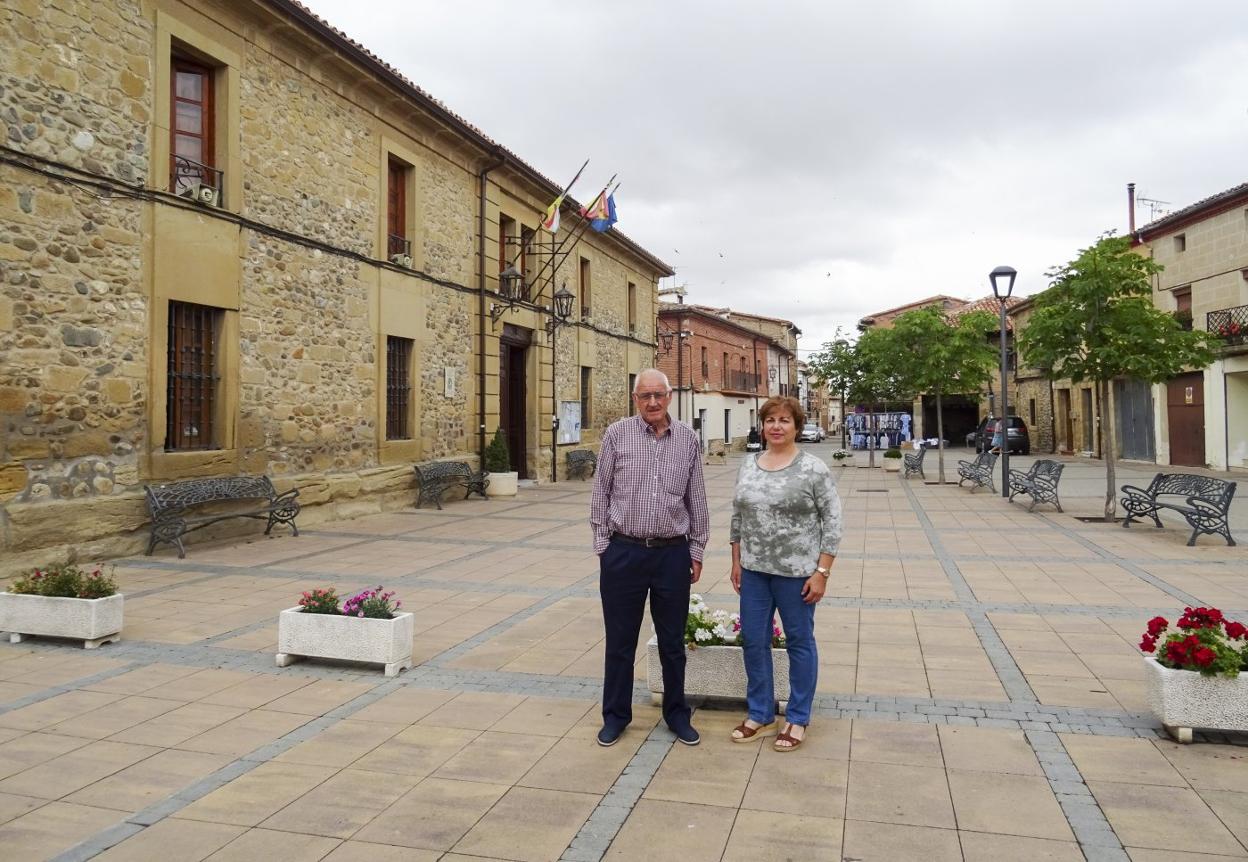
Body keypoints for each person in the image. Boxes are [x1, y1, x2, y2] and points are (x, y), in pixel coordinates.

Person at [590, 368, 709, 748]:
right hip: (623, 552)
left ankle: (676, 714)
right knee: (620, 642)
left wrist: (696, 548)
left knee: (672, 642)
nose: (653, 402)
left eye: (659, 395)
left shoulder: (688, 439)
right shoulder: (616, 435)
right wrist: (604, 548)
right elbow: (600, 494)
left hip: (672, 554)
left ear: (670, 397)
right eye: (645, 396)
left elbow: (697, 499)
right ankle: (615, 716)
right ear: (635, 399)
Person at [729, 395, 842, 752]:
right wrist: (736, 561)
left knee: (799, 643)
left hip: (797, 574)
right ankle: (761, 713)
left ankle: (796, 717)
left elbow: (833, 522)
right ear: (762, 426)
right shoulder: (748, 465)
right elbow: (738, 518)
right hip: (754, 572)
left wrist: (822, 571)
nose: (776, 426)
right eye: (770, 420)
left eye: (784, 420)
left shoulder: (813, 469)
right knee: (754, 641)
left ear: (796, 426)